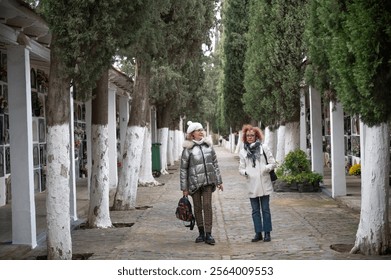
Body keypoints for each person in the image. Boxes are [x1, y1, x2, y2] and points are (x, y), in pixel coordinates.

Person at [180, 121, 224, 245]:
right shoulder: (188, 149)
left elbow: (215, 164)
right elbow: (183, 169)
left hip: (208, 182)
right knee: (198, 208)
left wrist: (219, 181)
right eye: (198, 130)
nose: (201, 132)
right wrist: (184, 188)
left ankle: (209, 234)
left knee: (207, 206)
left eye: (201, 130)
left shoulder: (208, 146)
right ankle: (201, 233)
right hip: (194, 184)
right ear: (192, 134)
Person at [238, 124, 276, 242]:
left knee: (265, 209)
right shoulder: (243, 151)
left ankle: (267, 233)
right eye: (248, 135)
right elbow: (241, 168)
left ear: (256, 136)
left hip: (264, 183)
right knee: (255, 211)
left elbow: (273, 163)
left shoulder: (263, 148)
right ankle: (258, 233)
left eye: (252, 135)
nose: (250, 137)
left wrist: (265, 168)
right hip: (252, 184)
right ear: (245, 137)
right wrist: (246, 172)